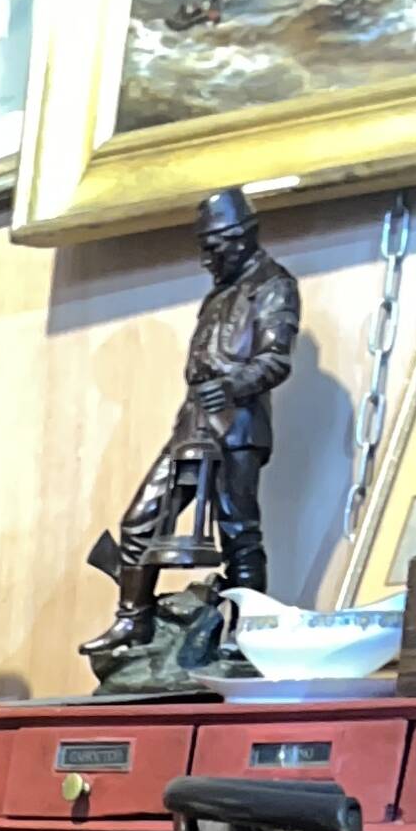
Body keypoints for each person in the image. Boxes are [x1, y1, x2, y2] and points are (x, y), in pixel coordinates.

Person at [104, 186, 300, 635]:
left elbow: (276, 359)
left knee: (239, 533)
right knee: (140, 520)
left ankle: (246, 633)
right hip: (191, 426)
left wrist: (233, 385)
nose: (207, 260)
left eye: (213, 249)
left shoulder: (273, 286)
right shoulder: (218, 294)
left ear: (241, 238)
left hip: (239, 429)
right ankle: (133, 621)